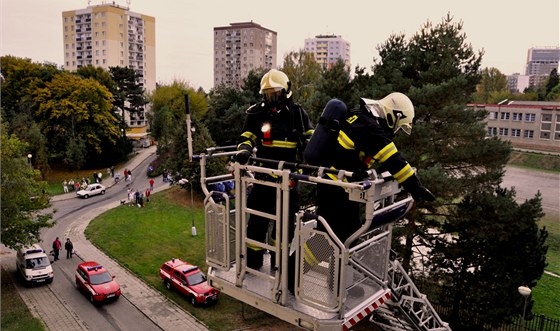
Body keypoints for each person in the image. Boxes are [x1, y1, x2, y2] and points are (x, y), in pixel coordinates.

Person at [312, 94, 435, 243]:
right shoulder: (371, 128)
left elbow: (357, 156)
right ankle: (297, 265)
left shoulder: (362, 118)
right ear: (394, 116)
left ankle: (331, 263)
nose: (396, 130)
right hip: (335, 188)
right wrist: (416, 187)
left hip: (336, 185)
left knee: (346, 234)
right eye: (398, 126)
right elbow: (393, 159)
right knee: (332, 237)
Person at [235, 69, 313, 281]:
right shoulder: (256, 113)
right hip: (263, 180)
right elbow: (247, 136)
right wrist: (244, 151)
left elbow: (311, 140)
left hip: (289, 183)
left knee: (285, 229)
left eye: (275, 94)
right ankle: (253, 262)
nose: (271, 99)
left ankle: (281, 266)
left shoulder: (297, 114)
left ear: (285, 92)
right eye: (268, 94)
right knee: (256, 224)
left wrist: (312, 157)